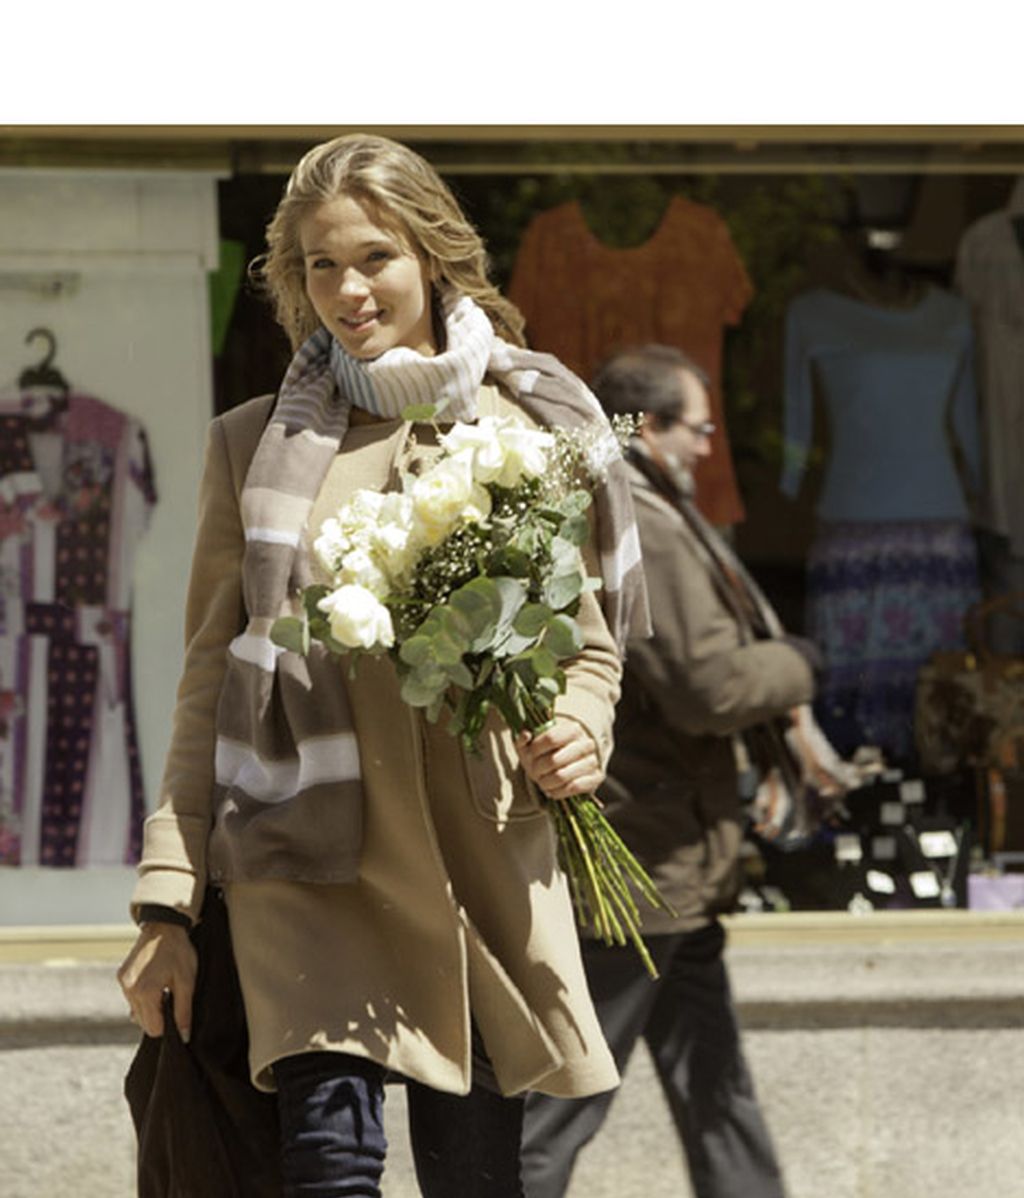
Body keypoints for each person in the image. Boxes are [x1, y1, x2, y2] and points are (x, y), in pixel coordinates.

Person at [116, 133, 650, 1198]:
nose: (348, 288)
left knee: (475, 1174)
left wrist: (582, 726)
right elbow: (211, 684)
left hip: (481, 856)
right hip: (308, 858)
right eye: (321, 265)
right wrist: (168, 901)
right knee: (327, 1163)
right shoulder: (250, 444)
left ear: (434, 255)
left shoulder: (533, 423)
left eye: (374, 257)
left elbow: (588, 641)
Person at [521, 345, 821, 1198]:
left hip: (673, 861)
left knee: (719, 1094)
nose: (706, 446)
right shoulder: (644, 519)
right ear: (648, 427)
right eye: (698, 427)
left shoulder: (629, 503)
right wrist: (798, 662)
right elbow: (709, 686)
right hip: (642, 868)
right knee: (558, 1114)